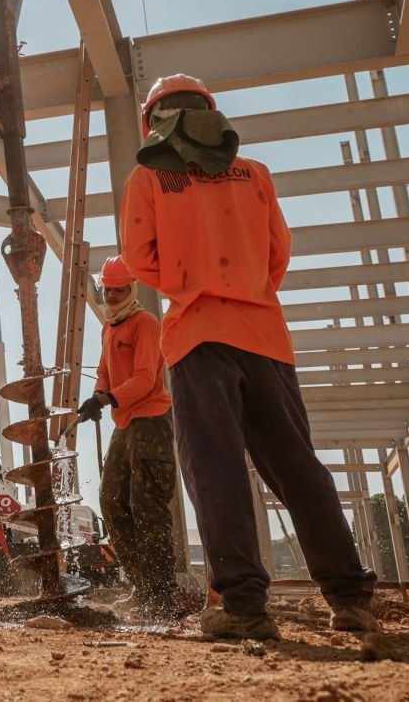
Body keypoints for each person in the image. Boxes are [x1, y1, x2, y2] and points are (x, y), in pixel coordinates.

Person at [120, 74, 377, 641]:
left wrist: (194, 287)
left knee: (216, 471)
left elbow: (140, 260)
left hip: (197, 336)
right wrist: (249, 292)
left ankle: (244, 606)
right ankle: (349, 596)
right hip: (265, 336)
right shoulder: (254, 173)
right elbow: (278, 252)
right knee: (298, 467)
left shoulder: (150, 176)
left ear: (152, 121)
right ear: (211, 112)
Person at [77, 254, 183, 618]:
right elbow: (105, 370)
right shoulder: (110, 328)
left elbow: (144, 377)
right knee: (111, 501)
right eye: (108, 291)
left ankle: (163, 593)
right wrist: (98, 396)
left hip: (150, 419)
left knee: (147, 506)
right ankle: (145, 587)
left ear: (131, 289)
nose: (112, 296)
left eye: (119, 291)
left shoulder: (146, 324)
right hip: (124, 423)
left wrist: (109, 398)